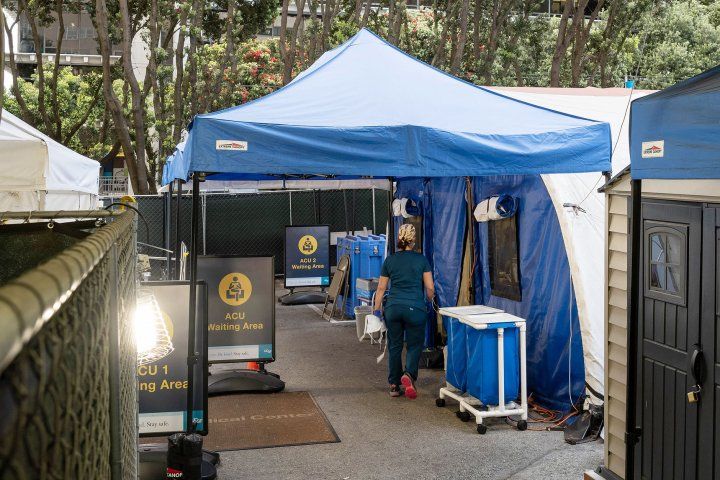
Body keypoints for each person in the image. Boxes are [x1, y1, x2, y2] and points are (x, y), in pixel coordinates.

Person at [373, 223, 435, 399]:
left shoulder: (390, 260)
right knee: (414, 345)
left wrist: (377, 311)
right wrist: (430, 300)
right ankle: (408, 375)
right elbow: (429, 288)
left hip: (393, 308)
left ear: (399, 239)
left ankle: (394, 385)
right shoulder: (421, 260)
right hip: (415, 308)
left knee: (394, 346)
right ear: (413, 240)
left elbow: (381, 289)